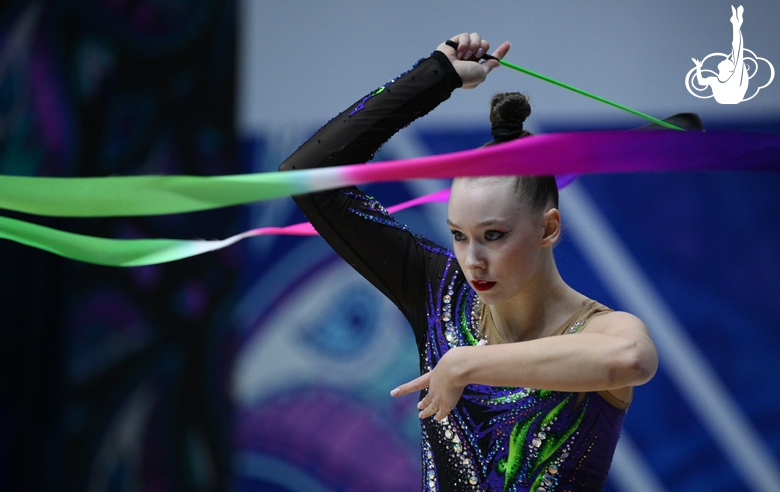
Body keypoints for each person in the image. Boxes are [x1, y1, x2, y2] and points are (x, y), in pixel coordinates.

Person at [279, 32, 658, 492]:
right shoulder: (438, 291)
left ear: (548, 228)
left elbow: (632, 359)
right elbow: (308, 175)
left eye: (493, 236)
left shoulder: (600, 331)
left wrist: (467, 364)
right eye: (459, 235)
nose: (472, 260)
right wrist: (435, 76)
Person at [692, 5, 748, 104]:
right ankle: (736, 23)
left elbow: (737, 48)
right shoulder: (714, 80)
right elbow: (701, 82)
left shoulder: (735, 78)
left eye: (728, 61)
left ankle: (736, 23)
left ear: (730, 69)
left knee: (737, 50)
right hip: (725, 101)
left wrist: (736, 25)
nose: (725, 59)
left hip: (733, 100)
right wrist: (698, 67)